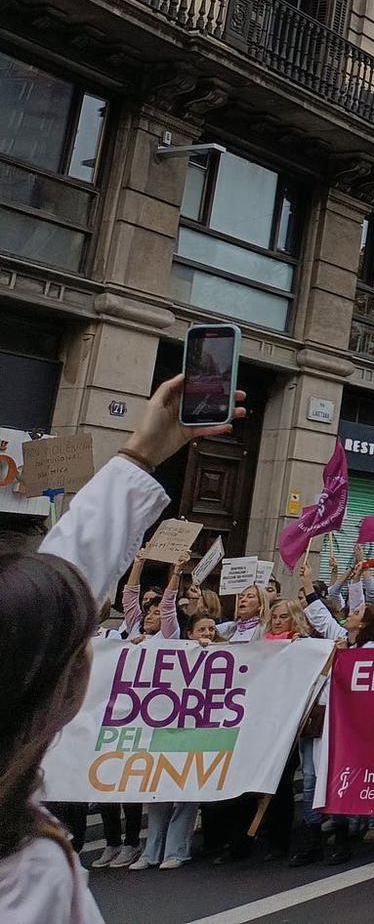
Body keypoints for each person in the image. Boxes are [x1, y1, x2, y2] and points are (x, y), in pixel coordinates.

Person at [0, 375, 242, 923]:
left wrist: (140, 453)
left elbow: (51, 601)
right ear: (57, 689)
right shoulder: (25, 874)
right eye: (75, 647)